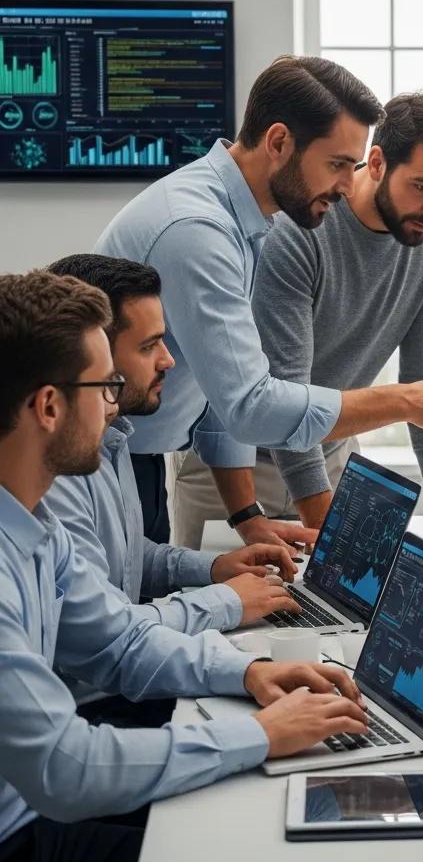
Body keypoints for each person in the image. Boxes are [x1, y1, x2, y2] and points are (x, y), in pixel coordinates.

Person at [0, 271, 369, 862]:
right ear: (49, 407)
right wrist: (257, 734)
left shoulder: (36, 525)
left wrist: (250, 673)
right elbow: (66, 766)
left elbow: (119, 642)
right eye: (105, 387)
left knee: (250, 851)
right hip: (20, 845)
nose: (114, 406)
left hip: (33, 824)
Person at [95, 55, 423, 547]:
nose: (347, 183)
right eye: (338, 164)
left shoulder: (244, 219)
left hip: (140, 450)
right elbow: (252, 405)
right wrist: (405, 401)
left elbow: (223, 395)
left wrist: (246, 516)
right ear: (278, 143)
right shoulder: (202, 232)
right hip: (108, 454)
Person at [42, 254, 302, 721]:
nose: (169, 360)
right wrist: (228, 603)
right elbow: (107, 638)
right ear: (96, 356)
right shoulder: (56, 476)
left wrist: (214, 568)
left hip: (111, 687)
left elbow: (122, 559)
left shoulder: (113, 438)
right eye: (149, 346)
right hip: (90, 705)